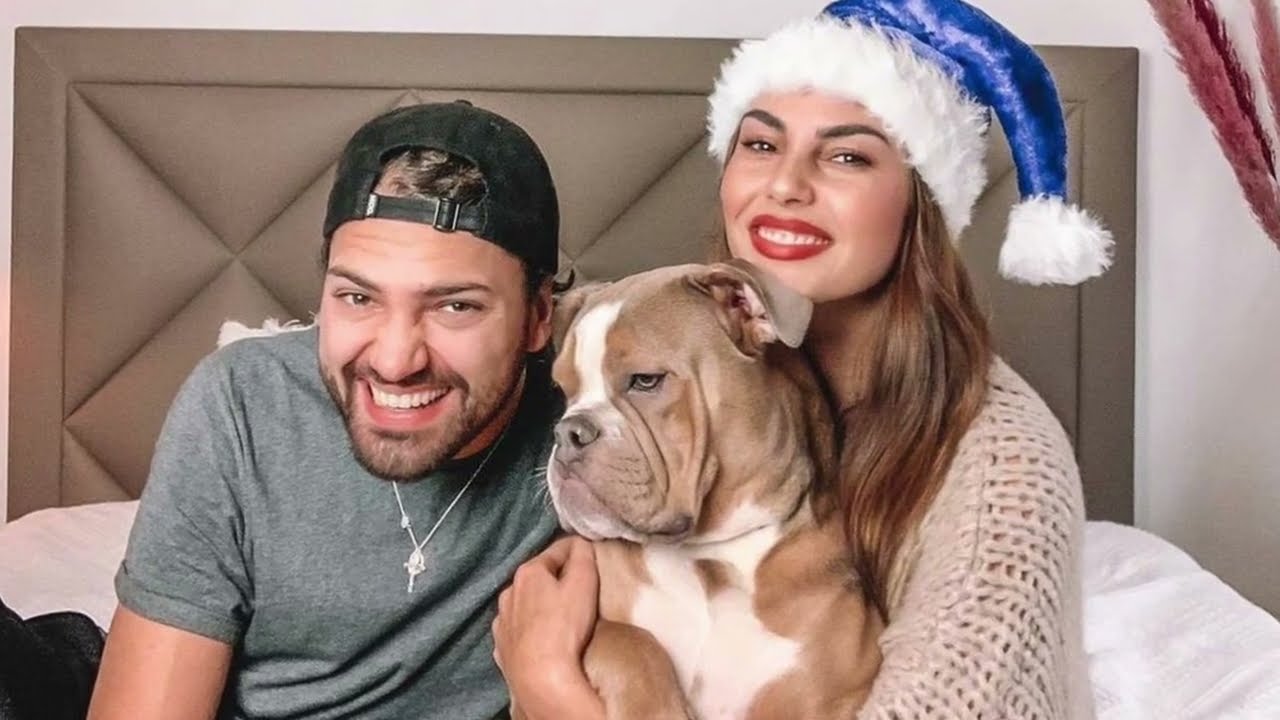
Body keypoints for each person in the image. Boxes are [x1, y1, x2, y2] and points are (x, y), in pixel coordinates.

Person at [492, 1, 1111, 718]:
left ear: (921, 202)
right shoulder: (681, 332)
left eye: (848, 156)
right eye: (760, 144)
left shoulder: (1006, 475)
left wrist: (553, 689)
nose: (785, 185)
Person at [87, 100, 567, 720]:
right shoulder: (244, 404)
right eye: (358, 297)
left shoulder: (597, 429)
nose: (394, 361)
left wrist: (553, 689)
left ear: (538, 316)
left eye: (455, 307)